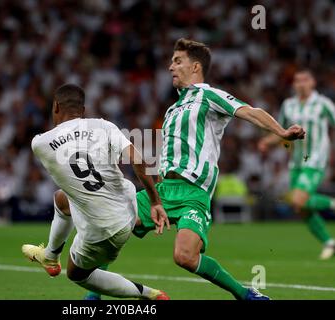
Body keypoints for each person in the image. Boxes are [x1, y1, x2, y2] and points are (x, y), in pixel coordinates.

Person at [78, 38, 306, 300]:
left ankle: (244, 294)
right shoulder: (172, 109)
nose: (170, 66)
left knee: (184, 257)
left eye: (177, 61)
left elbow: (251, 111)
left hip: (193, 192)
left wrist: (282, 132)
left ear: (195, 66)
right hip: (164, 189)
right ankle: (93, 296)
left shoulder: (209, 95)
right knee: (114, 225)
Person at [22, 83, 170, 300]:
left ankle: (149, 294)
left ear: (55, 107)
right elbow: (138, 160)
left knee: (76, 274)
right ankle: (50, 257)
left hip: (103, 232)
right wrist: (155, 202)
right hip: (128, 209)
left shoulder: (40, 144)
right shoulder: (104, 126)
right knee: (61, 199)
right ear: (83, 111)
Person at [259, 69, 335, 260]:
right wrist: (267, 142)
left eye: (305, 80)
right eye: (297, 80)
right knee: (300, 207)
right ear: (293, 85)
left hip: (316, 158)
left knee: (298, 200)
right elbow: (282, 132)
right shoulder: (288, 105)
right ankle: (329, 242)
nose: (301, 83)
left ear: (313, 83)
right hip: (296, 162)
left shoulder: (323, 104)